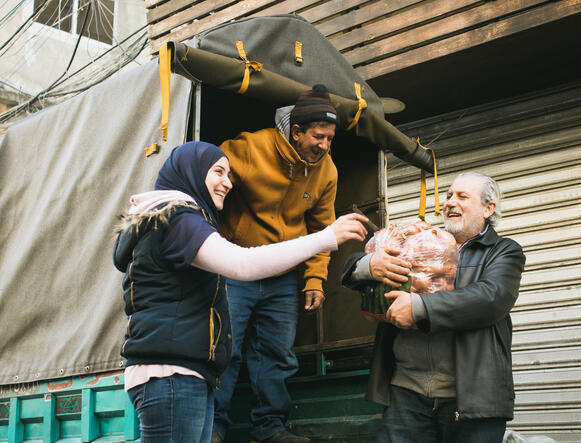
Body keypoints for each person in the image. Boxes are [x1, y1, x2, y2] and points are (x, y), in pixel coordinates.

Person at [113, 141, 367, 443]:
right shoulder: (178, 219)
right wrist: (324, 238)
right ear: (192, 173)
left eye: (229, 173)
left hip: (180, 373)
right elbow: (243, 264)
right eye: (218, 172)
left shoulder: (170, 220)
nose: (228, 182)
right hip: (171, 375)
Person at [342, 172, 526, 443]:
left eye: (462, 196)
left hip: (469, 398)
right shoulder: (422, 241)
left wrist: (419, 306)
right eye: (449, 195)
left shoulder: (504, 251)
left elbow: (491, 297)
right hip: (406, 392)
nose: (450, 202)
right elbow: (350, 271)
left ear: (489, 208)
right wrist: (369, 266)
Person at [212, 84, 340, 443]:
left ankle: (270, 428)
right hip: (236, 266)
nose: (325, 146)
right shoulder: (250, 148)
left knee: (277, 354)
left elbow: (322, 229)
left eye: (330, 138)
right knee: (225, 348)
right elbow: (209, 183)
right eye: (319, 136)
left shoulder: (326, 170)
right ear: (296, 132)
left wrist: (315, 278)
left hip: (283, 275)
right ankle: (213, 428)